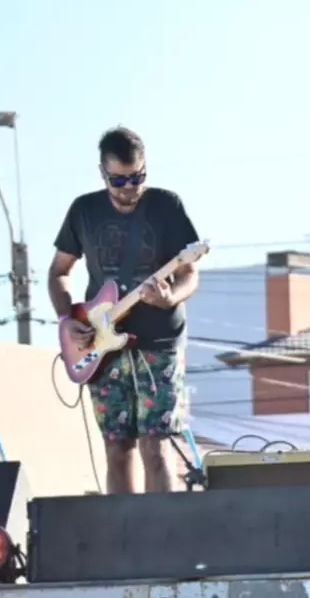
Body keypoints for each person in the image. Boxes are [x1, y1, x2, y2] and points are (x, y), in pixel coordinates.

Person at [47, 127, 202, 493]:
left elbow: (189, 273)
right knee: (117, 449)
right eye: (119, 180)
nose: (130, 188)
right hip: (101, 345)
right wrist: (67, 320)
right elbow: (59, 272)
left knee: (156, 448)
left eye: (137, 177)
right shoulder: (84, 210)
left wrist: (170, 297)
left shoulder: (166, 205)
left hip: (159, 342)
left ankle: (163, 527)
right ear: (102, 173)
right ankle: (123, 527)